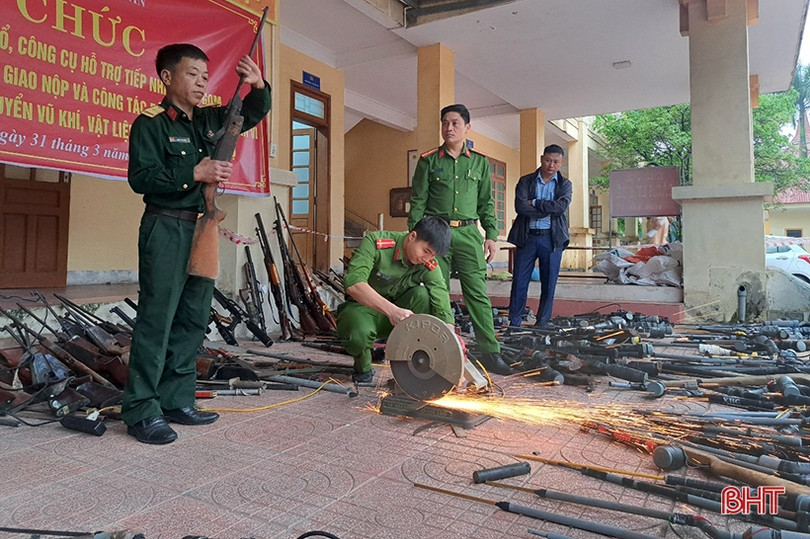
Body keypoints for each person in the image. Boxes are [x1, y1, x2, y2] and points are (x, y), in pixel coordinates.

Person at [122, 43, 271, 444]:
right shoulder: (150, 124)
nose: (202, 82)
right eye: (192, 74)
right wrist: (195, 172)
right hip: (166, 226)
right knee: (157, 320)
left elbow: (251, 113)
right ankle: (141, 410)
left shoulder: (209, 120)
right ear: (167, 77)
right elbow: (141, 178)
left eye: (205, 76)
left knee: (192, 318)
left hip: (202, 227)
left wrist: (258, 86)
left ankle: (176, 400)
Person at [408, 104, 512, 375]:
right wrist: (414, 236)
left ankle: (490, 352)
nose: (449, 128)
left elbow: (486, 203)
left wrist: (491, 235)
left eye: (455, 123)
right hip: (436, 233)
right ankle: (438, 350)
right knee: (437, 291)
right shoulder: (428, 161)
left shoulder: (479, 162)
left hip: (468, 234)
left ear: (467, 127)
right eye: (445, 123)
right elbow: (417, 201)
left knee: (477, 293)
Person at [337, 216, 454, 385]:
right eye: (425, 251)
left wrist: (451, 340)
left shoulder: (427, 264)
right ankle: (363, 367)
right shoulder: (376, 243)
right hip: (363, 311)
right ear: (412, 236)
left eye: (432, 256)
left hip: (399, 318)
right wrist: (392, 311)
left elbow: (441, 295)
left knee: (423, 295)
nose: (427, 259)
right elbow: (354, 284)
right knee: (357, 333)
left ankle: (412, 367)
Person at [507, 144, 572, 329]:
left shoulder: (565, 184)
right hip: (527, 237)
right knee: (519, 281)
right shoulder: (526, 181)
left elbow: (561, 208)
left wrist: (535, 202)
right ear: (541, 159)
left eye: (556, 162)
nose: (551, 165)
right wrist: (548, 208)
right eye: (548, 160)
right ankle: (515, 322)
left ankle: (542, 322)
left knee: (549, 282)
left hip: (551, 239)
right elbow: (520, 207)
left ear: (561, 163)